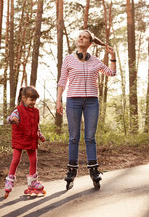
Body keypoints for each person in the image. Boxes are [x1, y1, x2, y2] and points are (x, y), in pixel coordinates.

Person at [56, 30, 117, 190]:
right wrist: (58, 99)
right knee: (74, 137)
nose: (81, 38)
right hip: (73, 101)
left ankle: (94, 171)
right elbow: (62, 80)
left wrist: (113, 57)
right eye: (79, 36)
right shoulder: (68, 59)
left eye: (84, 37)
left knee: (90, 137)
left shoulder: (95, 61)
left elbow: (112, 72)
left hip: (91, 102)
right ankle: (71, 171)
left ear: (90, 43)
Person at [4, 86, 46, 198]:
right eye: (31, 100)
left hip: (31, 139)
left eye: (35, 100)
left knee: (34, 160)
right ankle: (10, 180)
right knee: (16, 160)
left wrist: (40, 135)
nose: (33, 103)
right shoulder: (18, 110)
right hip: (20, 138)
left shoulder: (36, 112)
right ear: (24, 98)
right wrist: (12, 119)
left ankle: (32, 182)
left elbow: (36, 126)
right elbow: (10, 118)